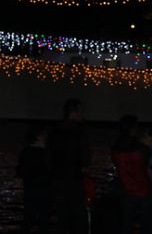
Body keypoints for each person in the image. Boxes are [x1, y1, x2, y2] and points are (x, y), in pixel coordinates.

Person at [48, 98, 91, 234]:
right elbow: (85, 156)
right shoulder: (79, 130)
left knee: (62, 216)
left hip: (58, 178)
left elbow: (48, 154)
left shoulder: (54, 130)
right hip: (74, 178)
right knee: (78, 215)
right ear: (75, 112)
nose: (82, 114)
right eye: (80, 111)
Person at [111, 115, 152, 234]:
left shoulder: (115, 148)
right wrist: (148, 145)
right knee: (146, 226)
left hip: (126, 191)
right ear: (133, 129)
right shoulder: (141, 148)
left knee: (126, 225)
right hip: (143, 191)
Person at [17, 125, 52, 233]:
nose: (46, 136)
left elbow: (20, 171)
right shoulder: (47, 153)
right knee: (44, 219)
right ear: (39, 137)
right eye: (44, 134)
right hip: (44, 189)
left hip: (30, 188)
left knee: (28, 218)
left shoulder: (26, 152)